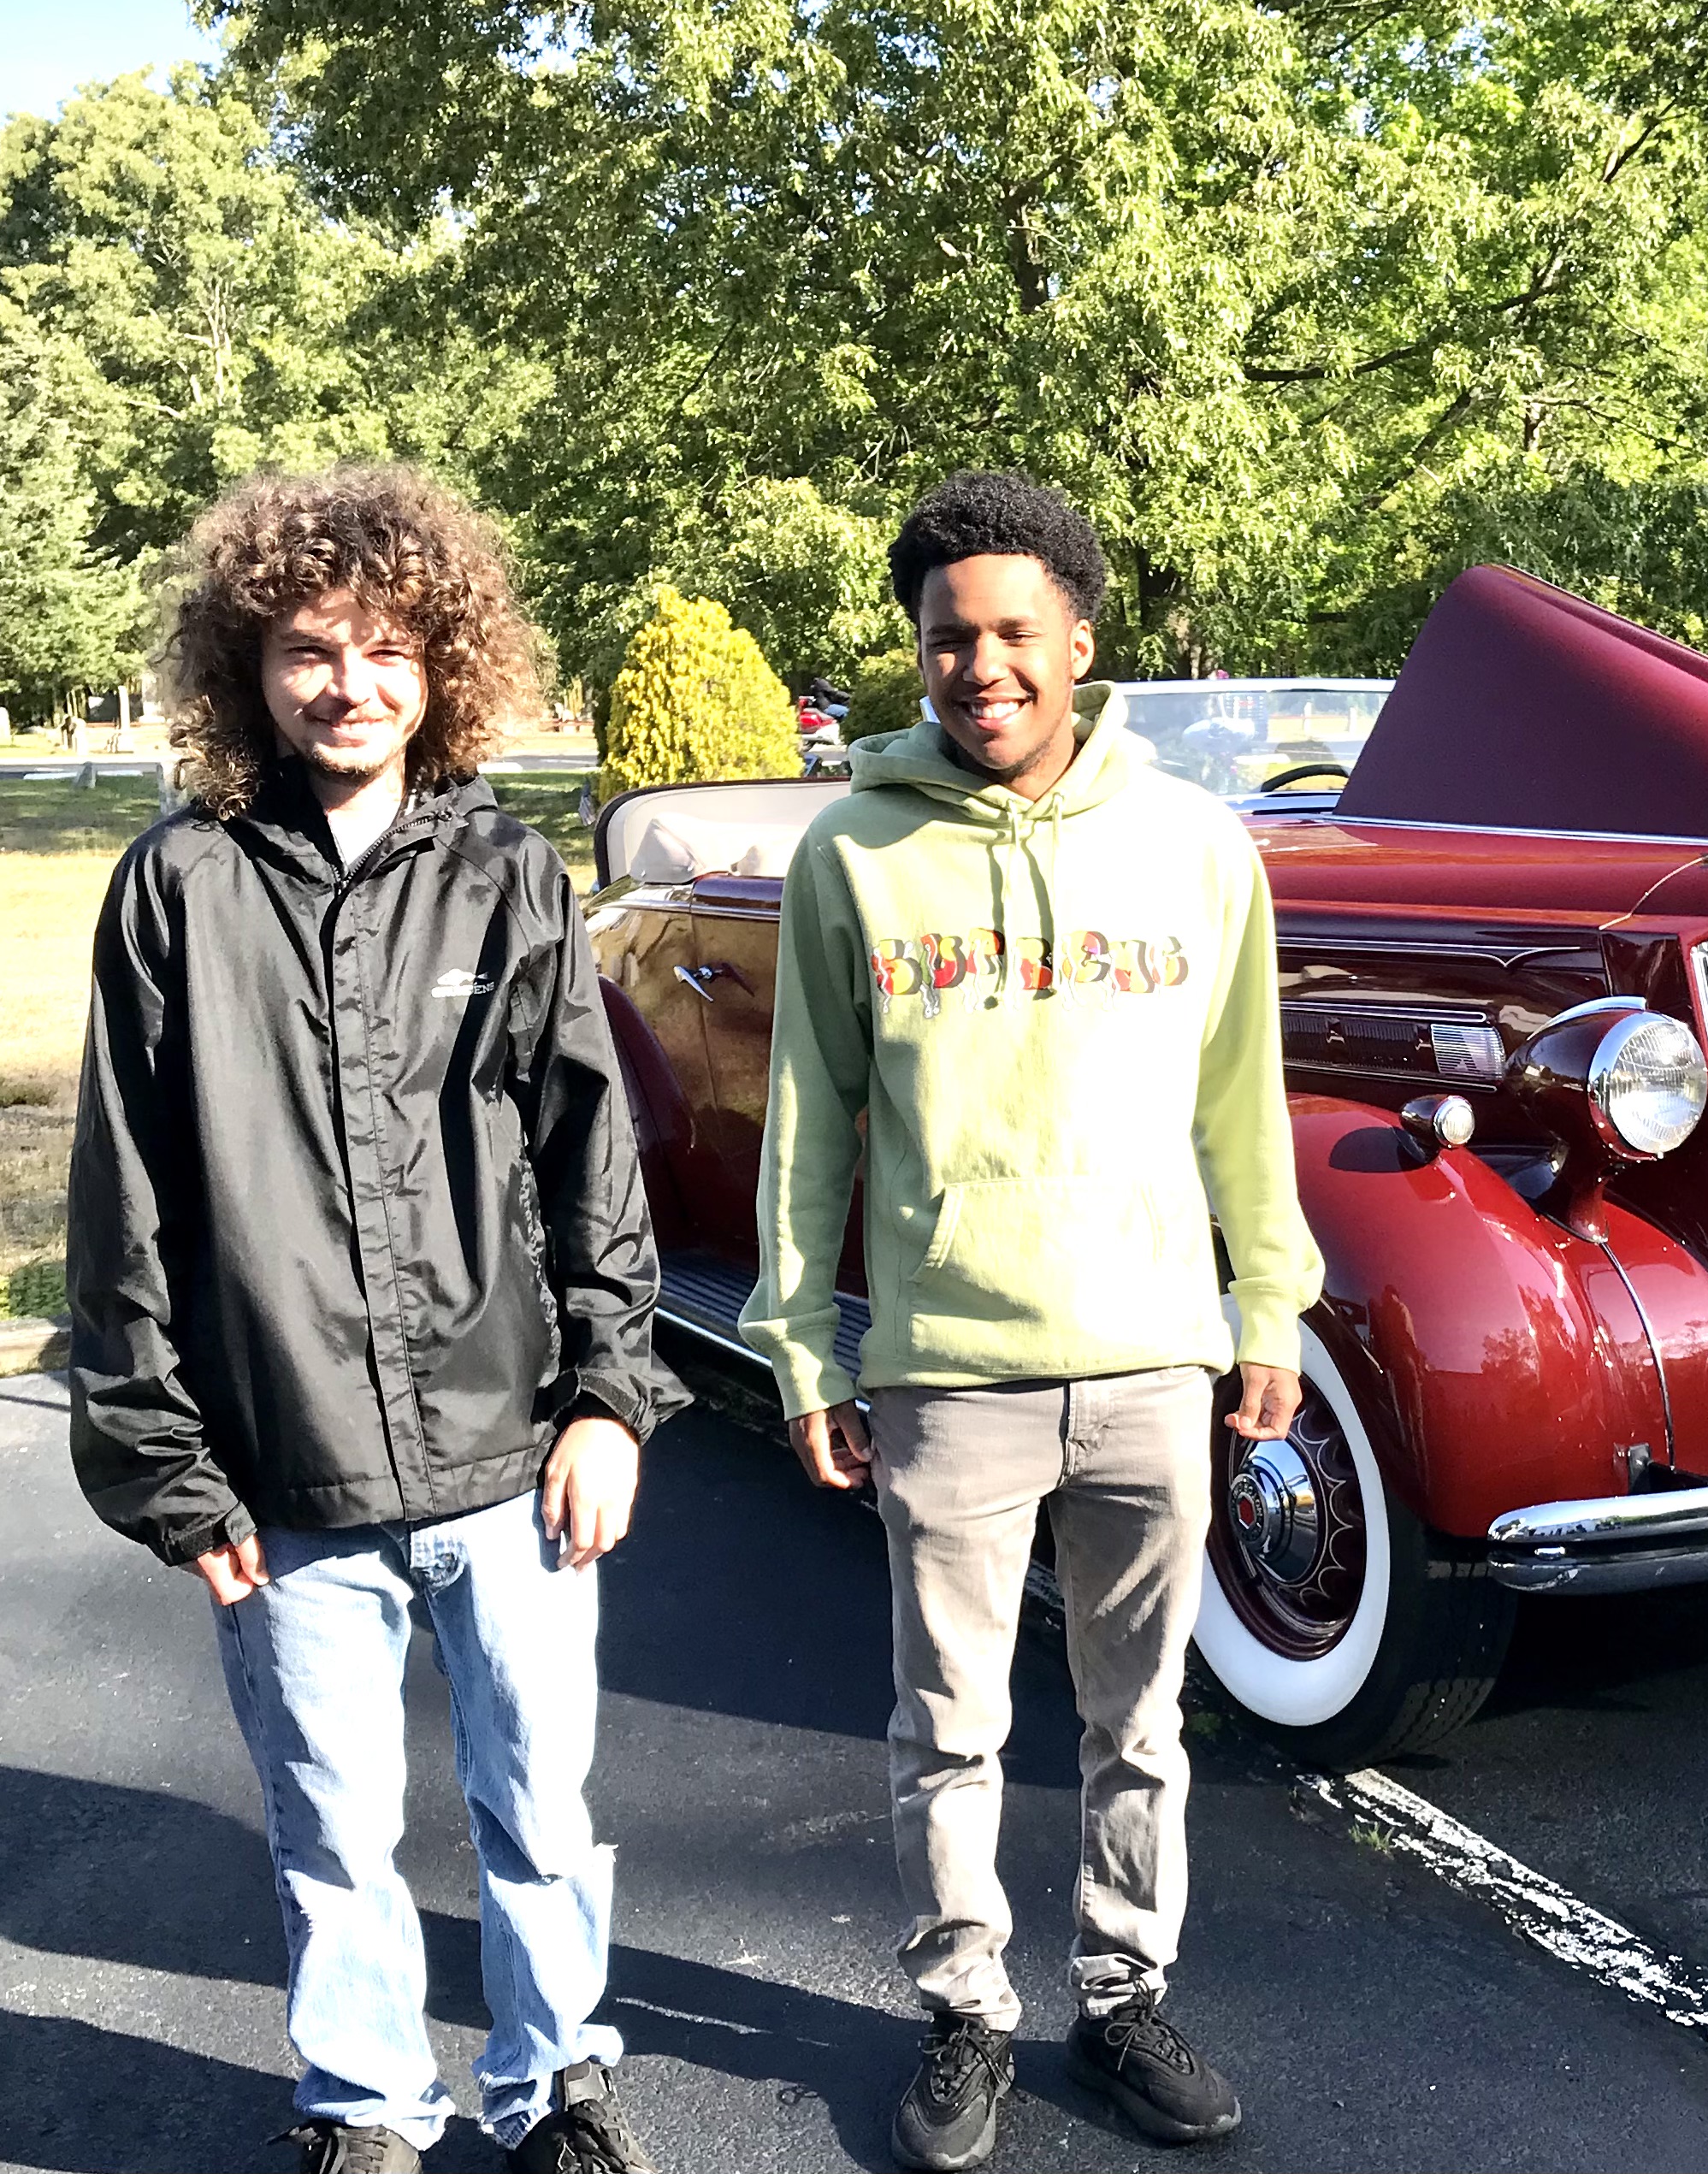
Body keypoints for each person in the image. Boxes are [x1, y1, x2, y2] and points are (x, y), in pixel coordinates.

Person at [66, 465, 678, 2174]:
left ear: (444, 662)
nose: (350, 684)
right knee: (330, 1826)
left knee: (537, 1805)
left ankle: (557, 2087)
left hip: (513, 1457)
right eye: (309, 650)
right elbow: (126, 1197)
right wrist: (168, 1468)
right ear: (247, 667)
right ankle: (363, 2108)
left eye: (388, 648)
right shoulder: (177, 886)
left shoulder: (506, 874)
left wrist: (611, 1398)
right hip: (283, 1478)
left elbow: (588, 1151)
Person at [741, 470, 1324, 2171]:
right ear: (916, 651)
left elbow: (1242, 1105)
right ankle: (964, 2008)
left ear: (1077, 640)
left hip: (1148, 1352)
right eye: (947, 637)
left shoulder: (1193, 846)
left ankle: (1122, 1996)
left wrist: (1267, 1303)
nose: (977, 665)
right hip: (948, 1370)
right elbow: (810, 1123)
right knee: (949, 1724)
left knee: (1139, 1724)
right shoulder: (852, 853)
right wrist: (801, 1341)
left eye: (1011, 631)